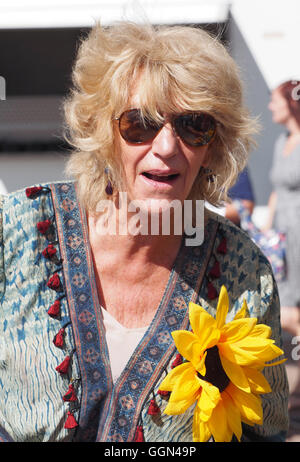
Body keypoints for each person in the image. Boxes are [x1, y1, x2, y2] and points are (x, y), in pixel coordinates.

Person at [0, 21, 288, 443]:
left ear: (213, 146)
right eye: (141, 124)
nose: (168, 147)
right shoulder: (20, 228)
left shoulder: (243, 272)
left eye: (194, 125)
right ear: (104, 133)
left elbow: (266, 432)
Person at [267, 79, 300, 441]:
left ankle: (288, 399)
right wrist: (266, 229)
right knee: (288, 310)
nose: (270, 107)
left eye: (274, 101)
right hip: (283, 236)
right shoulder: (281, 144)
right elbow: (276, 190)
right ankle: (288, 399)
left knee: (290, 314)